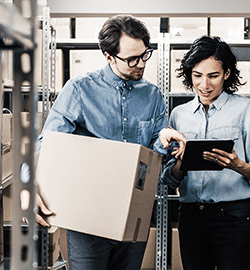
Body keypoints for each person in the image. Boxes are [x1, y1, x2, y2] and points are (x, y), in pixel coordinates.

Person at [34, 14, 186, 270]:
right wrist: (30, 182)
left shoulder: (153, 96)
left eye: (144, 55)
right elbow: (47, 144)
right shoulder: (80, 90)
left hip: (133, 217)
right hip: (87, 219)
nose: (141, 64)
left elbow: (154, 162)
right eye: (131, 59)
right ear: (107, 56)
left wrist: (163, 142)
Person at [160, 36, 250, 270]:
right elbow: (169, 178)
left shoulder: (245, 109)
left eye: (213, 76)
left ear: (227, 74)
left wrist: (236, 165)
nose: (204, 85)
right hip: (191, 217)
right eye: (197, 75)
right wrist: (180, 162)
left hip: (233, 216)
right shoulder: (179, 115)